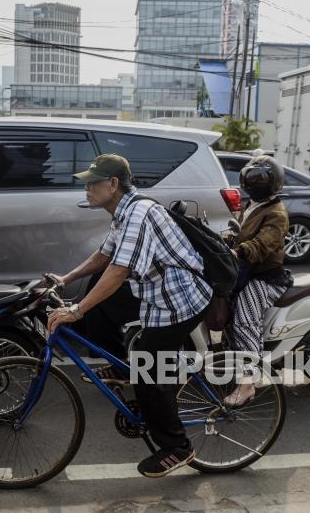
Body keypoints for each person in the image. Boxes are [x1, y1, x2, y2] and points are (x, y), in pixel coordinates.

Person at [46, 154, 212, 478]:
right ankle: (125, 364)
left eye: (93, 183)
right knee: (97, 295)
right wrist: (66, 279)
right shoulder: (122, 212)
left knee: (149, 368)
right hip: (155, 293)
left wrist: (76, 309)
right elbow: (105, 255)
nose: (87, 189)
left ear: (112, 184)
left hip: (180, 300)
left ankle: (178, 447)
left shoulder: (139, 214)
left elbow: (119, 271)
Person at [223, 155, 292, 407]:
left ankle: (247, 384)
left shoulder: (277, 212)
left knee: (244, 321)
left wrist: (239, 251)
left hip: (265, 277)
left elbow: (264, 243)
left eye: (259, 179)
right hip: (245, 271)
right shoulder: (252, 204)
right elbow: (240, 234)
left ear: (273, 183)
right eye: (251, 178)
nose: (254, 183)